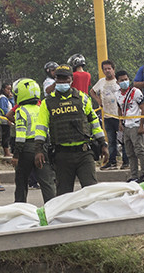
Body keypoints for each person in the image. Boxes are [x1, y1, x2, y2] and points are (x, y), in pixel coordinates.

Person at [37, 64, 108, 196]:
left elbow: (94, 121)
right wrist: (39, 149)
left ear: (71, 80)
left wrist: (103, 143)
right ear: (55, 80)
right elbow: (41, 128)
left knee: (92, 193)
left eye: (65, 79)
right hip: (62, 155)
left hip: (84, 153)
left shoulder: (82, 98)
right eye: (59, 79)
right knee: (64, 196)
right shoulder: (47, 103)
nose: (62, 82)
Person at [11, 78, 55, 203]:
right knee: (47, 182)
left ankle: (20, 209)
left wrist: (16, 155)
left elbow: (20, 136)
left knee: (21, 181)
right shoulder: (41, 108)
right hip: (42, 147)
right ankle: (53, 209)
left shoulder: (21, 111)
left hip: (26, 149)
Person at [91, 60, 125, 170]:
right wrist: (98, 100)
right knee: (111, 140)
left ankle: (126, 161)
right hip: (107, 115)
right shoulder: (101, 82)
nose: (107, 71)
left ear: (113, 69)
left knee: (123, 140)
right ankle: (112, 161)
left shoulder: (118, 82)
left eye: (109, 68)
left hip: (118, 115)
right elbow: (92, 91)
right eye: (105, 69)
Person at [116, 70, 144, 182]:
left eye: (126, 79)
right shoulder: (117, 94)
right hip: (126, 126)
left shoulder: (136, 92)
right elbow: (119, 108)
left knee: (139, 150)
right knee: (129, 152)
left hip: (135, 124)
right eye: (122, 80)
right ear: (117, 82)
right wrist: (120, 122)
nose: (124, 82)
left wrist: (141, 125)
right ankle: (134, 175)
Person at [0, 82, 14, 157]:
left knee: (8, 135)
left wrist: (11, 98)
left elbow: (12, 106)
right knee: (5, 136)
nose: (9, 91)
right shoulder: (2, 98)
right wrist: (8, 119)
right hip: (4, 121)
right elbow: (4, 110)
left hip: (8, 120)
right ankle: (6, 152)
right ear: (3, 89)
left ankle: (8, 151)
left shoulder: (6, 98)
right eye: (8, 89)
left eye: (10, 89)